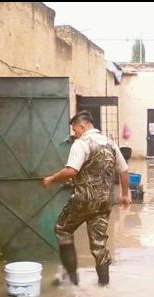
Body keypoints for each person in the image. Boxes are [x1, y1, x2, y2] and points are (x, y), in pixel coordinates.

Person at [42, 111, 131, 287]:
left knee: (62, 229)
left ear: (82, 127)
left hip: (84, 199)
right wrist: (125, 194)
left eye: (75, 129)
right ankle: (104, 285)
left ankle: (72, 277)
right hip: (105, 201)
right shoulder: (110, 143)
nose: (74, 133)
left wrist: (51, 179)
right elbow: (124, 170)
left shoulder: (82, 143)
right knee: (99, 243)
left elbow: (72, 171)